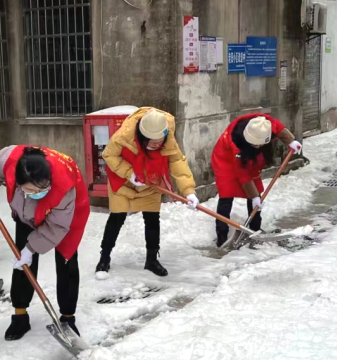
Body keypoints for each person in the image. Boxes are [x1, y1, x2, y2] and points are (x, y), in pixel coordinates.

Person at [0, 145, 90, 341]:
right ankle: (20, 314)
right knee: (22, 261)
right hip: (25, 212)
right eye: (30, 189)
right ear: (18, 183)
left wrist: (32, 247)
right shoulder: (10, 160)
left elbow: (56, 228)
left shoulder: (63, 186)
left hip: (66, 217)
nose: (37, 192)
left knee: (66, 260)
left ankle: (67, 317)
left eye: (41, 188)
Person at [97, 107, 198, 277]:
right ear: (143, 136)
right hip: (123, 183)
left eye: (161, 140)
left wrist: (189, 191)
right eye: (153, 141)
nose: (158, 144)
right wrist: (130, 174)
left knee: (152, 220)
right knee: (116, 218)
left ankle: (152, 260)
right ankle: (104, 258)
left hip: (151, 181)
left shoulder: (168, 140)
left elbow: (177, 163)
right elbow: (109, 155)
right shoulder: (123, 136)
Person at [210, 113, 302, 247]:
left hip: (249, 158)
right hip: (225, 160)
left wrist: (291, 141)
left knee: (256, 192)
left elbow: (278, 127)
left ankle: (254, 230)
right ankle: (221, 237)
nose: (258, 147)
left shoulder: (264, 124)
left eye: (260, 145)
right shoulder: (236, 142)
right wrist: (254, 197)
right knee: (227, 194)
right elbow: (243, 174)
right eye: (255, 145)